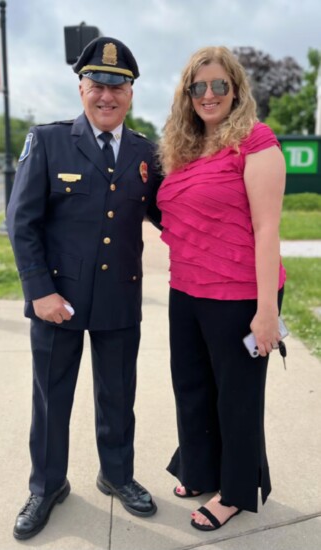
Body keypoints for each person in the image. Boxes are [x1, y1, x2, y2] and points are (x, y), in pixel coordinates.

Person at [7, 36, 161, 540]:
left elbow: (172, 215)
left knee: (118, 396)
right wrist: (39, 291)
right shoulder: (48, 141)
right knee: (52, 399)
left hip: (119, 296)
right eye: (97, 84)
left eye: (118, 87)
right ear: (81, 88)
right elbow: (23, 222)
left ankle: (116, 475)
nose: (106, 96)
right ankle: (47, 486)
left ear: (131, 94)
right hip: (59, 301)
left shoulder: (146, 152)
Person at [157, 46, 286, 531]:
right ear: (187, 95)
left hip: (239, 296)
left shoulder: (255, 141)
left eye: (219, 86)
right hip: (186, 290)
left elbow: (267, 228)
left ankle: (233, 490)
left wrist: (266, 309)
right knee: (191, 389)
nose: (208, 95)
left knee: (236, 397)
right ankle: (200, 469)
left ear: (235, 90)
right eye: (199, 87)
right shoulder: (184, 150)